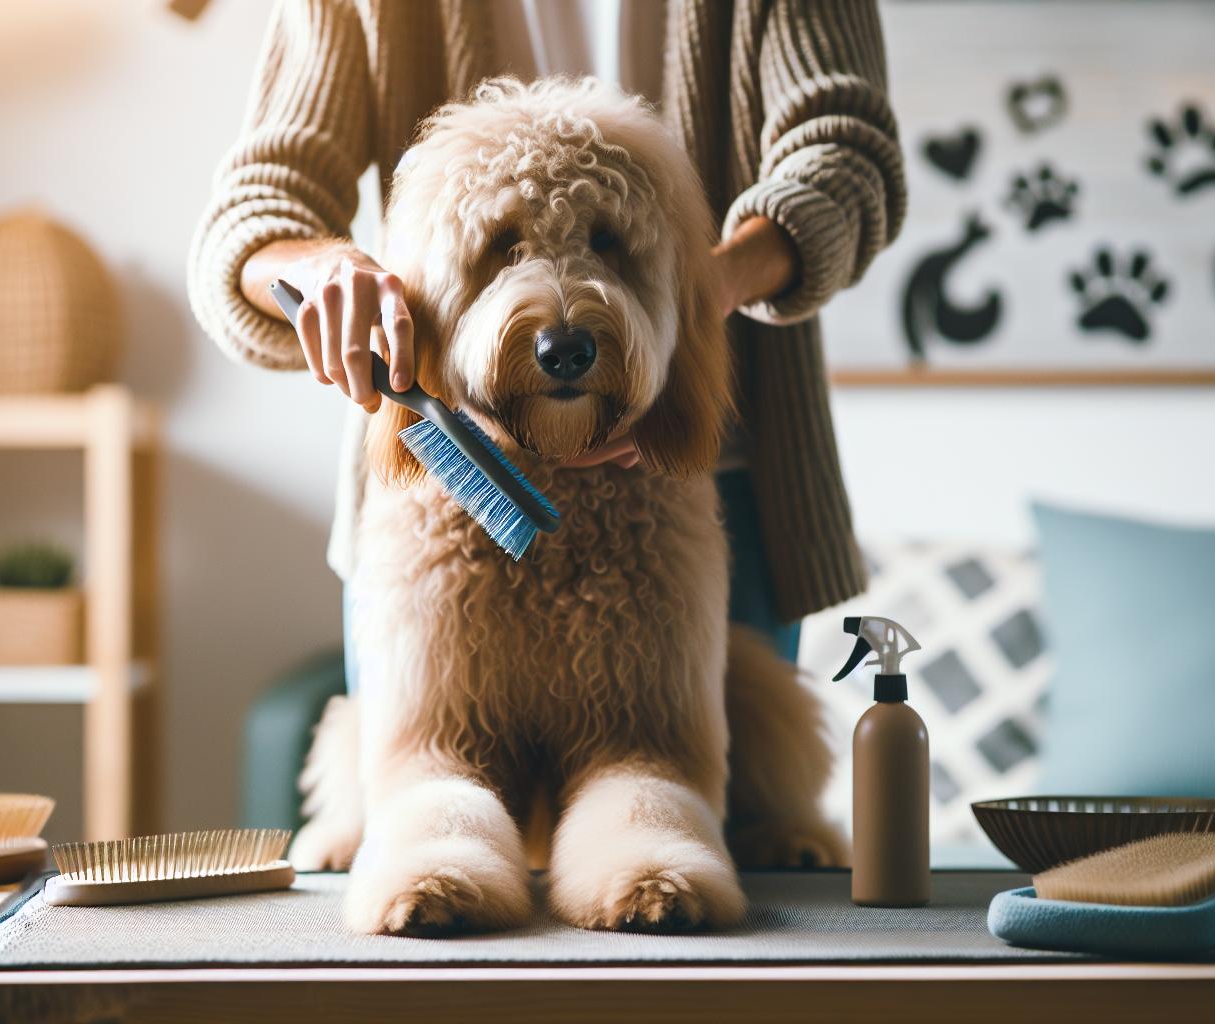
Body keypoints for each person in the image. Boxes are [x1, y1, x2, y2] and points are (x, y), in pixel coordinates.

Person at [189, 0, 905, 676]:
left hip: (709, 467)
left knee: (709, 792)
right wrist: (318, 268)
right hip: (448, 476)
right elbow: (255, 206)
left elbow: (846, 154)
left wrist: (690, 303)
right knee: (432, 783)